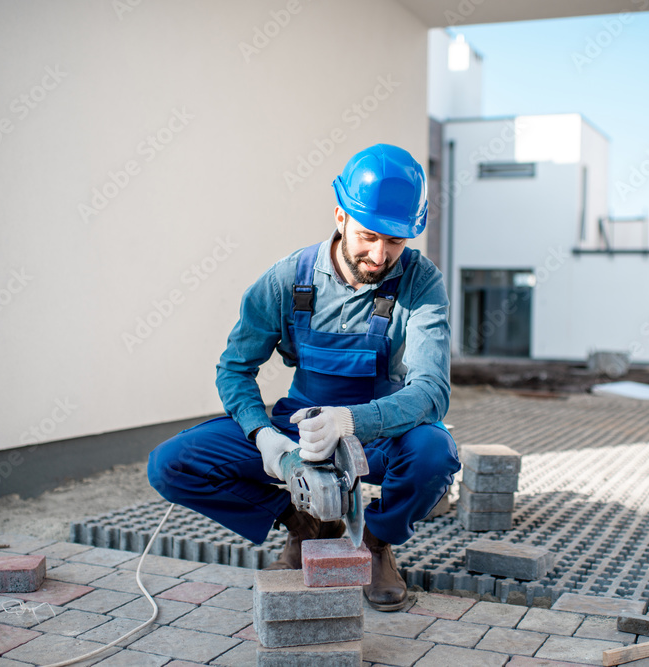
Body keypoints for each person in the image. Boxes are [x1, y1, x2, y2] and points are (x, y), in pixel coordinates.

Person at [147, 143, 461, 611]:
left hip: (378, 430)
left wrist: (350, 423)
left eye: (395, 242)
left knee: (435, 453)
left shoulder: (421, 283)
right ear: (340, 216)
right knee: (170, 464)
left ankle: (375, 543)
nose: (380, 255)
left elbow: (431, 391)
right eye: (369, 236)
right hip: (300, 427)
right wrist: (266, 440)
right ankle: (303, 524)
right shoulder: (286, 281)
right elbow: (234, 369)